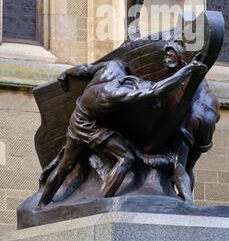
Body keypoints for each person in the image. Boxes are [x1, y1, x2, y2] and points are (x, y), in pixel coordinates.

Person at [37, 55, 205, 208]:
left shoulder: (113, 66)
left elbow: (85, 69)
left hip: (78, 119)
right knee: (126, 158)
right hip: (87, 127)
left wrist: (66, 74)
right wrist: (188, 69)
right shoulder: (114, 94)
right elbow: (155, 91)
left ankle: (41, 205)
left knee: (64, 166)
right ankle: (102, 204)